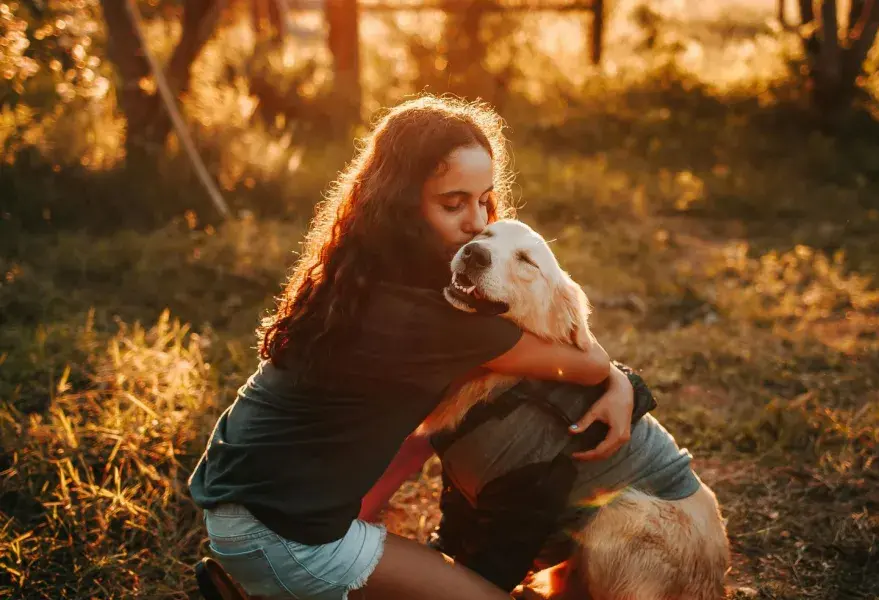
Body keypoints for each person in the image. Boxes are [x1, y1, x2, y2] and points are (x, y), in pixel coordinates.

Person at [187, 95, 636, 600]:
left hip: (233, 505)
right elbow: (586, 362)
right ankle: (277, 590)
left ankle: (274, 584)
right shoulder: (439, 321)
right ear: (402, 205)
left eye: (483, 198)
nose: (476, 222)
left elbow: (424, 425)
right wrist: (622, 384)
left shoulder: (359, 275)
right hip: (284, 538)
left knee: (426, 436)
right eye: (452, 203)